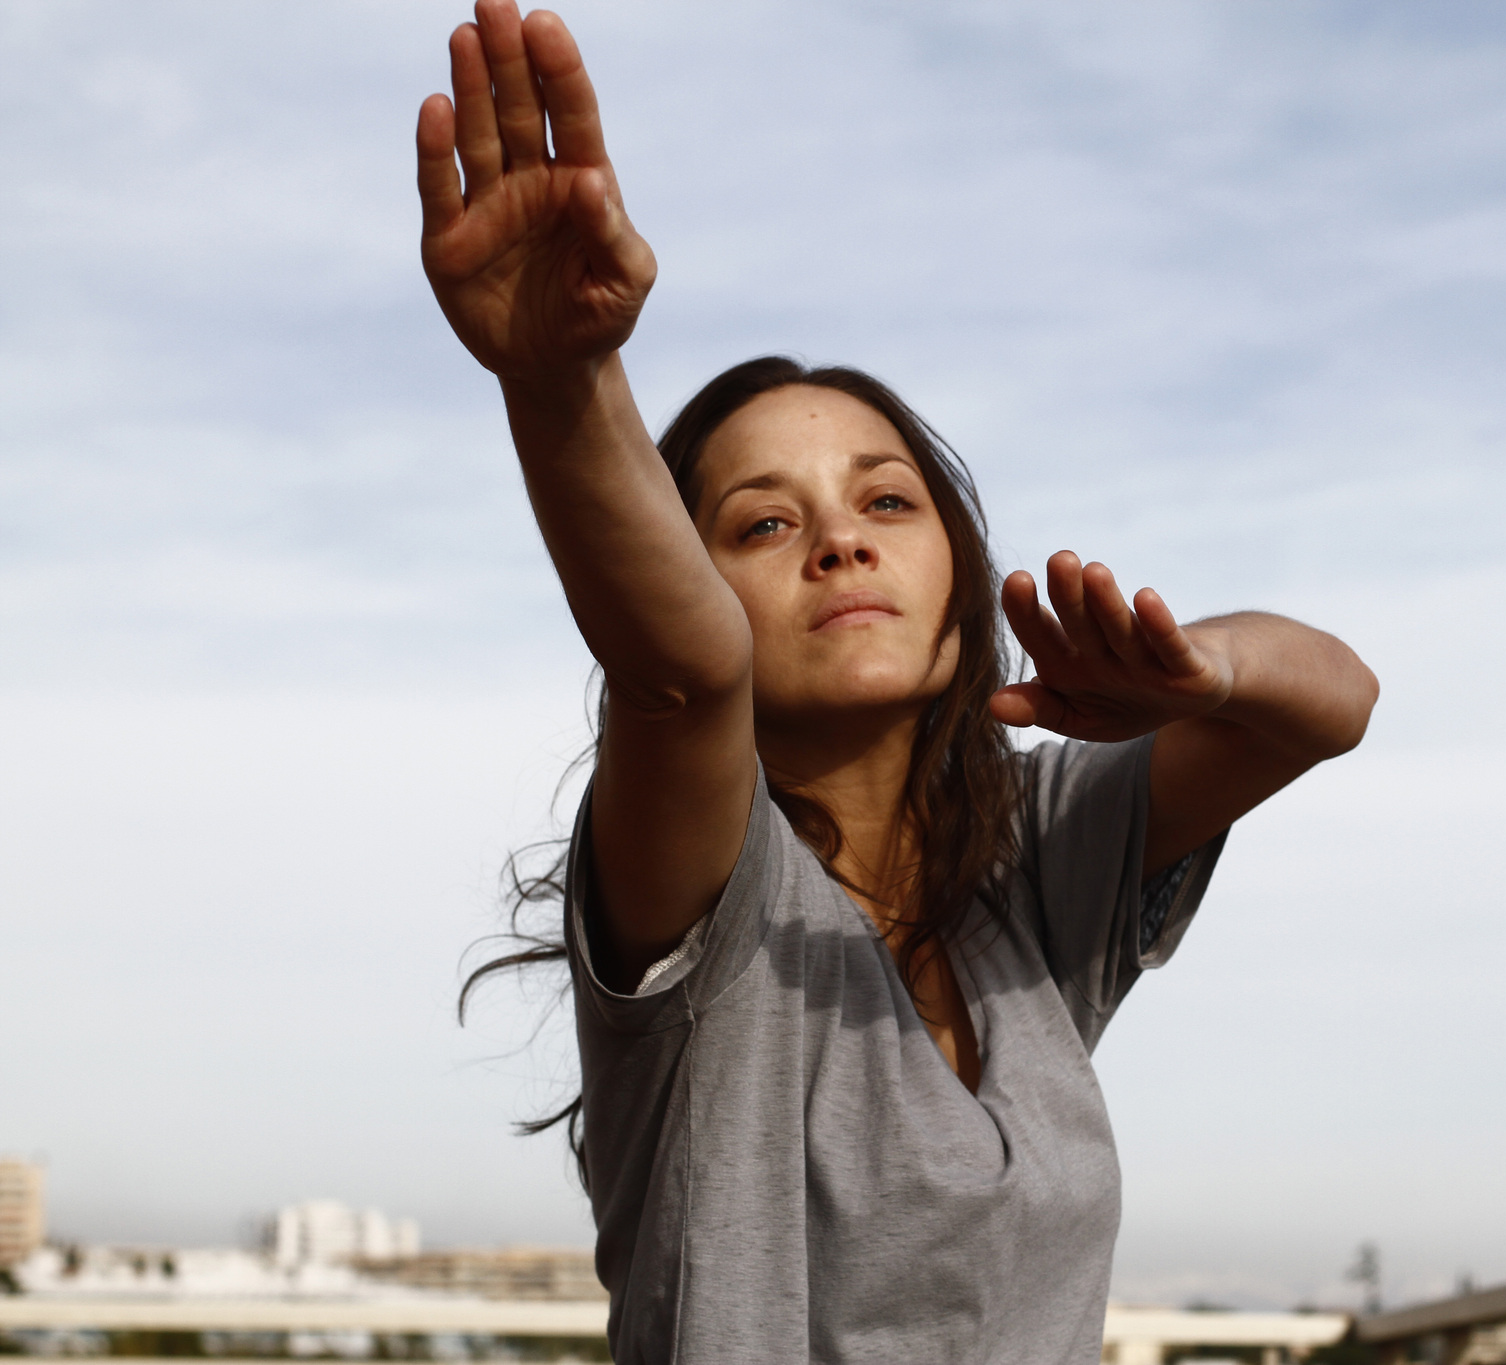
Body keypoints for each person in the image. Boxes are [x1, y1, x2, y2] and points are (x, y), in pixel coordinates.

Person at [416, 4, 1379, 1362]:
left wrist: (1201, 669)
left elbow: (1334, 698)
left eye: (888, 498)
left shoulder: (1033, 865)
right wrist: (565, 381)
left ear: (957, 571)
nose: (843, 537)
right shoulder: (703, 873)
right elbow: (681, 674)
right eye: (762, 522)